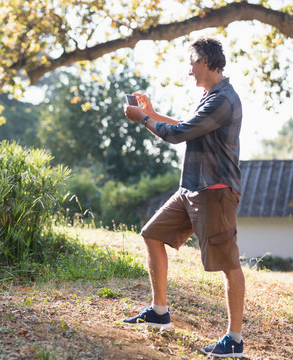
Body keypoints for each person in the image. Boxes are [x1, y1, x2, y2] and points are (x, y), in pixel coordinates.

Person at [123, 37, 245, 358]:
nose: (189, 70)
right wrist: (153, 113)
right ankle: (159, 311)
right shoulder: (210, 96)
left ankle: (234, 339)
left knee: (228, 263)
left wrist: (142, 119)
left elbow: (177, 136)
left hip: (215, 192)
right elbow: (184, 126)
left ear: (205, 61)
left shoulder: (224, 100)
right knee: (152, 234)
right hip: (191, 188)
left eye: (191, 63)